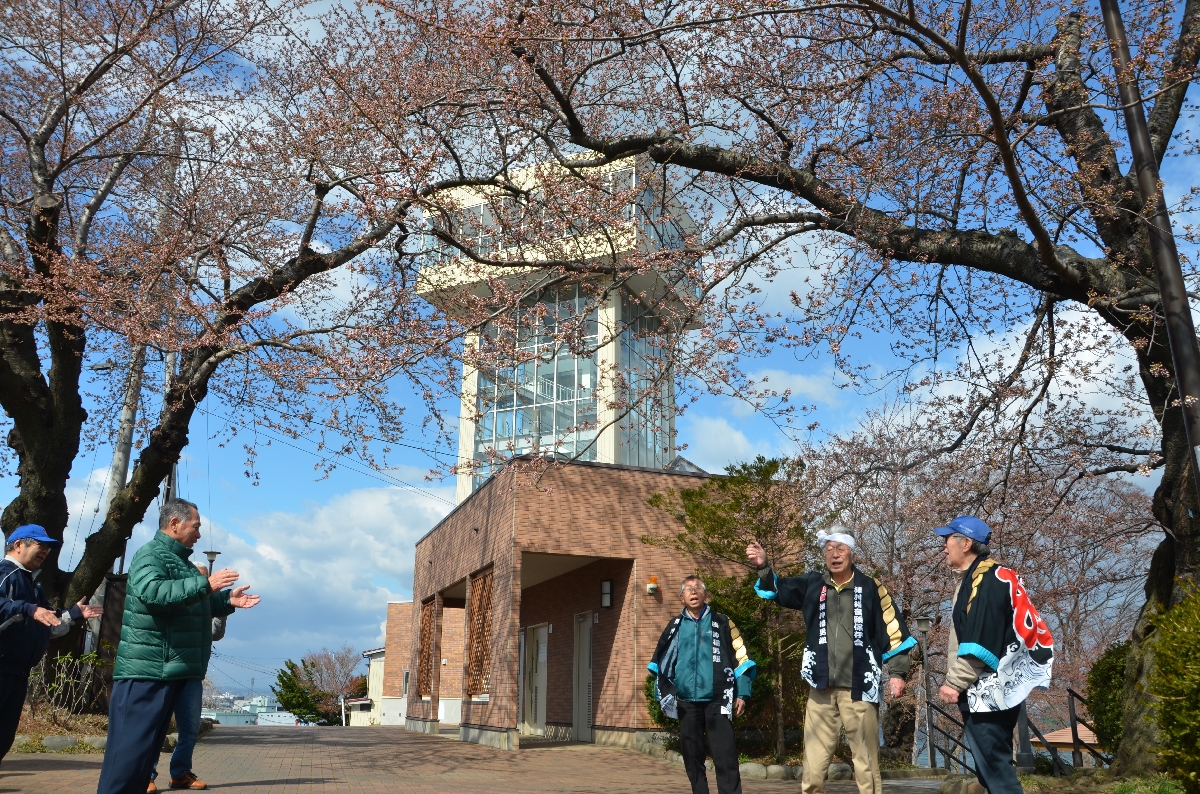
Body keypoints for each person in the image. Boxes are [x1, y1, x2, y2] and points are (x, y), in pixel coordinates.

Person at [96, 498, 260, 794]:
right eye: (195, 527)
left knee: (142, 759)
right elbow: (153, 593)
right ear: (174, 524)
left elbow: (187, 603)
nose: (198, 534)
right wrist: (206, 586)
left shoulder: (180, 563)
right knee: (127, 760)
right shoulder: (151, 555)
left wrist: (224, 601)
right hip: (147, 673)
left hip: (169, 672)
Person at [747, 529, 915, 794]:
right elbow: (778, 589)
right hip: (820, 688)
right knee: (813, 768)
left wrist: (897, 672)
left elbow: (893, 630)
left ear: (852, 553)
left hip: (860, 689)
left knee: (866, 766)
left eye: (841, 548)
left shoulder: (871, 587)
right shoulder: (813, 584)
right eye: (828, 549)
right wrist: (764, 566)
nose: (834, 555)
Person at [934, 516, 1054, 794]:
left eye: (947, 539)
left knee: (996, 770)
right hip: (998, 688)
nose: (943, 546)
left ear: (966, 543)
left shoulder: (984, 580)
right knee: (990, 769)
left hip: (986, 691)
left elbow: (979, 639)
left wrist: (955, 681)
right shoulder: (991, 575)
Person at [0, 525, 104, 765]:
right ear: (18, 545)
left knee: (4, 736)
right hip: (2, 668)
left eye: (48, 547)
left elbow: (50, 621)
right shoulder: (5, 574)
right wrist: (27, 609)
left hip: (18, 672)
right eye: (40, 544)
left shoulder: (34, 585)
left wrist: (74, 614)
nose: (45, 551)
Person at [648, 576, 756, 794]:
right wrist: (663, 696)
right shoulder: (674, 627)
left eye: (698, 588)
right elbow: (660, 664)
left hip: (718, 700)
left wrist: (742, 693)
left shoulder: (723, 622)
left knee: (725, 755)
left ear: (706, 594)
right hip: (686, 702)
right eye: (688, 589)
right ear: (681, 597)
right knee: (691, 756)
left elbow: (742, 659)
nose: (693, 591)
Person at [147, 564, 228, 792]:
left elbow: (215, 633)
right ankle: (147, 774)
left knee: (189, 728)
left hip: (192, 674)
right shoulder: (175, 597)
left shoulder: (205, 604)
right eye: (199, 578)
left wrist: (221, 605)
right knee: (157, 727)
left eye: (205, 578)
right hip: (167, 672)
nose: (203, 582)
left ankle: (180, 773)